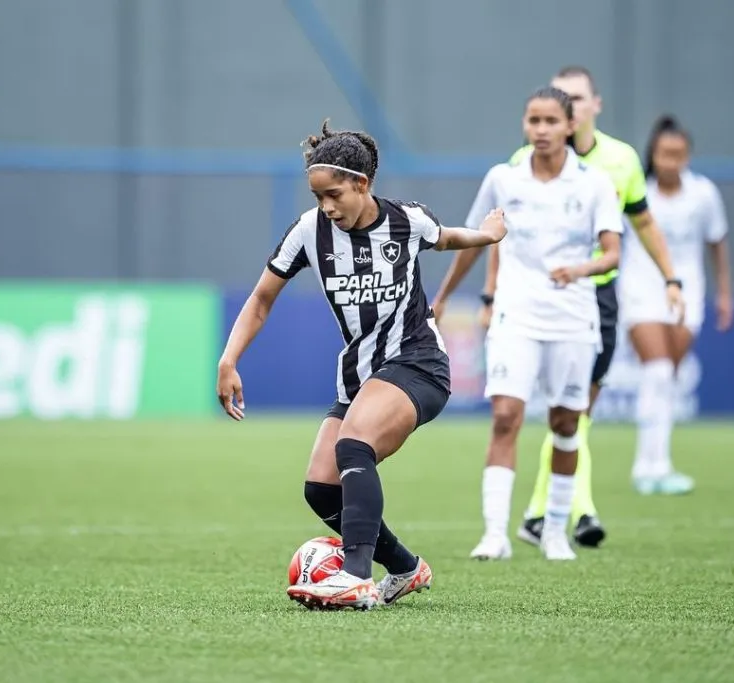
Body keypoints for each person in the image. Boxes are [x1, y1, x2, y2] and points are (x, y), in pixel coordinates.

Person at [216, 119, 507, 609]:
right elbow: (263, 298)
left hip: (418, 364)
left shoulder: (405, 220)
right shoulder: (309, 232)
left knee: (354, 445)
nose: (327, 207)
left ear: (362, 184)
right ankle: (404, 567)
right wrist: (229, 358)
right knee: (321, 489)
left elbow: (447, 238)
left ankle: (353, 577)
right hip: (361, 375)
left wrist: (487, 235)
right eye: (318, 197)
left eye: (334, 195)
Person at [431, 66, 681, 553]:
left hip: (573, 316)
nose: (541, 130)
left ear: (570, 125)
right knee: (505, 415)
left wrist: (580, 270)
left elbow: (613, 252)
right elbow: (476, 239)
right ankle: (494, 534)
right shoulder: (503, 178)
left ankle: (553, 531)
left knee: (567, 422)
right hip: (515, 314)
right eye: (533, 120)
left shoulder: (594, 184)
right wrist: (443, 297)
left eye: (550, 121)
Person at [621, 115, 734, 494]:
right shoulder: (638, 191)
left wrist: (724, 293)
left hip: (687, 291)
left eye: (679, 155)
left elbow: (717, 242)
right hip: (640, 286)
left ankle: (660, 464)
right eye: (665, 154)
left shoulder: (703, 194)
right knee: (655, 370)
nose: (671, 162)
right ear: (654, 154)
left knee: (668, 377)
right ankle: (647, 465)